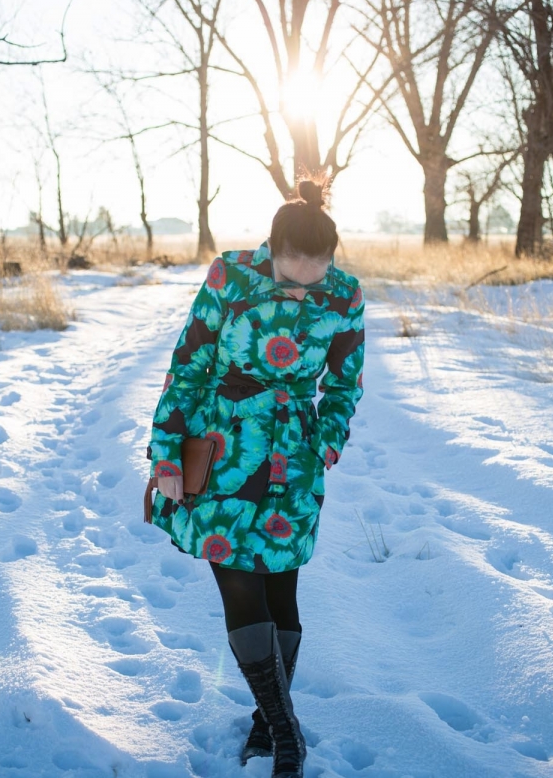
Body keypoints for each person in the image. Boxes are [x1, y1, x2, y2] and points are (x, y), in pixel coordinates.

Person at [146, 177, 365, 778]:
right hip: (224, 450)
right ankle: (285, 731)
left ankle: (268, 724)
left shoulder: (345, 295)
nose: (303, 282)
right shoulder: (229, 276)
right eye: (293, 270)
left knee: (281, 590)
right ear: (271, 249)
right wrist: (167, 449)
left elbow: (345, 382)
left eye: (316, 271)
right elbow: (188, 361)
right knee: (238, 582)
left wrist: (326, 442)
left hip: (293, 460)